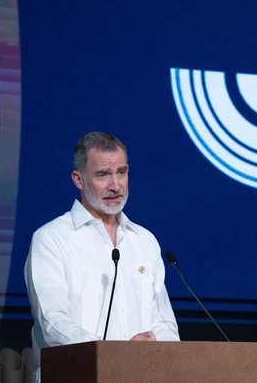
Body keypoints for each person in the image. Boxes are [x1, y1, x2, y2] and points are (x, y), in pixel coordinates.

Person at [24, 131, 180, 382]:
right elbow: (53, 322)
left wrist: (166, 354)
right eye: (103, 174)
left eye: (121, 172)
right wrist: (114, 356)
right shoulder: (51, 238)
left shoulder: (145, 241)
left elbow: (162, 322)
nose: (115, 185)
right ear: (78, 179)